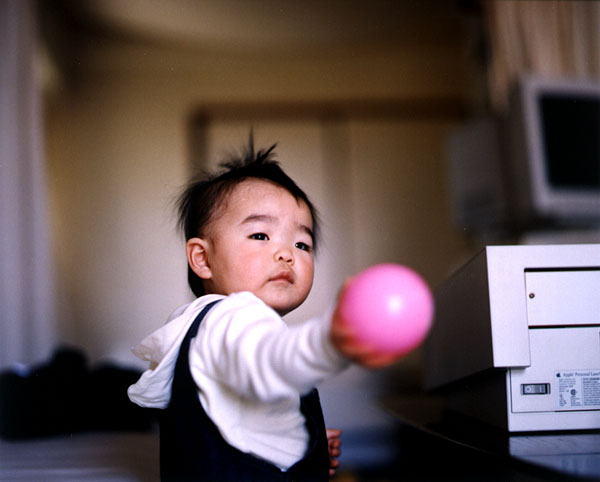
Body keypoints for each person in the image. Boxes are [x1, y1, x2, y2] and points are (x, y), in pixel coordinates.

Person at [128, 139, 396, 482]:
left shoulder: (205, 326)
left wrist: (308, 449)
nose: (286, 253)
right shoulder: (231, 319)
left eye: (302, 243)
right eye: (260, 236)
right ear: (203, 258)